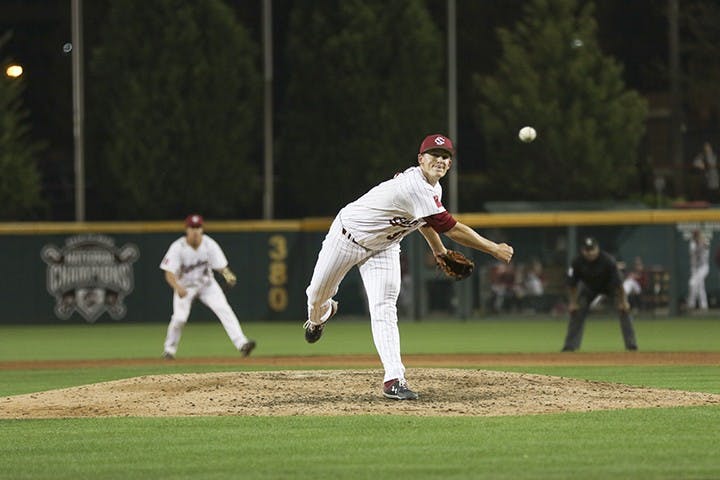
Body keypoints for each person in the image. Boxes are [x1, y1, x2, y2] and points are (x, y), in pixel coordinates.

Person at [303, 134, 514, 400]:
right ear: (420, 159)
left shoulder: (433, 189)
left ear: (450, 165)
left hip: (384, 248)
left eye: (446, 157)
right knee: (316, 296)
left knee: (384, 307)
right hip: (347, 237)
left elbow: (423, 221)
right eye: (435, 155)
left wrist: (438, 251)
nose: (440, 160)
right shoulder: (415, 185)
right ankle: (318, 318)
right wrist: (493, 248)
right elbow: (450, 228)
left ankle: (394, 378)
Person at [159, 214, 256, 359]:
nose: (196, 231)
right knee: (179, 319)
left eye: (198, 227)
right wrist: (177, 287)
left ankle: (242, 343)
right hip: (185, 286)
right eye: (192, 227)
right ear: (187, 229)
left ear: (202, 229)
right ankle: (169, 350)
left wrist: (228, 275)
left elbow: (221, 266)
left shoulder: (209, 244)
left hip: (207, 285)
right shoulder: (178, 247)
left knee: (224, 310)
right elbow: (168, 272)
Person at [562, 237, 638, 352]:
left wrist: (624, 302)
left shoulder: (608, 260)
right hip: (589, 288)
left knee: (624, 310)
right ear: (582, 250)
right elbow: (571, 285)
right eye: (587, 250)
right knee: (576, 310)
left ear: (597, 249)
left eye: (592, 249)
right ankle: (570, 346)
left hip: (610, 288)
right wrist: (573, 303)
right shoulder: (577, 262)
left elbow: (619, 285)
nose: (590, 253)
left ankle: (631, 345)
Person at [687, 229, 709, 311]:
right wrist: (700, 243)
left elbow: (707, 246)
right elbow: (694, 252)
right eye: (694, 235)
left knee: (693, 284)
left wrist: (702, 241)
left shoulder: (703, 241)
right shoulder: (692, 244)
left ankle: (691, 304)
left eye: (696, 235)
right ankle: (703, 305)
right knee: (699, 286)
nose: (695, 236)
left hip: (703, 267)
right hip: (695, 268)